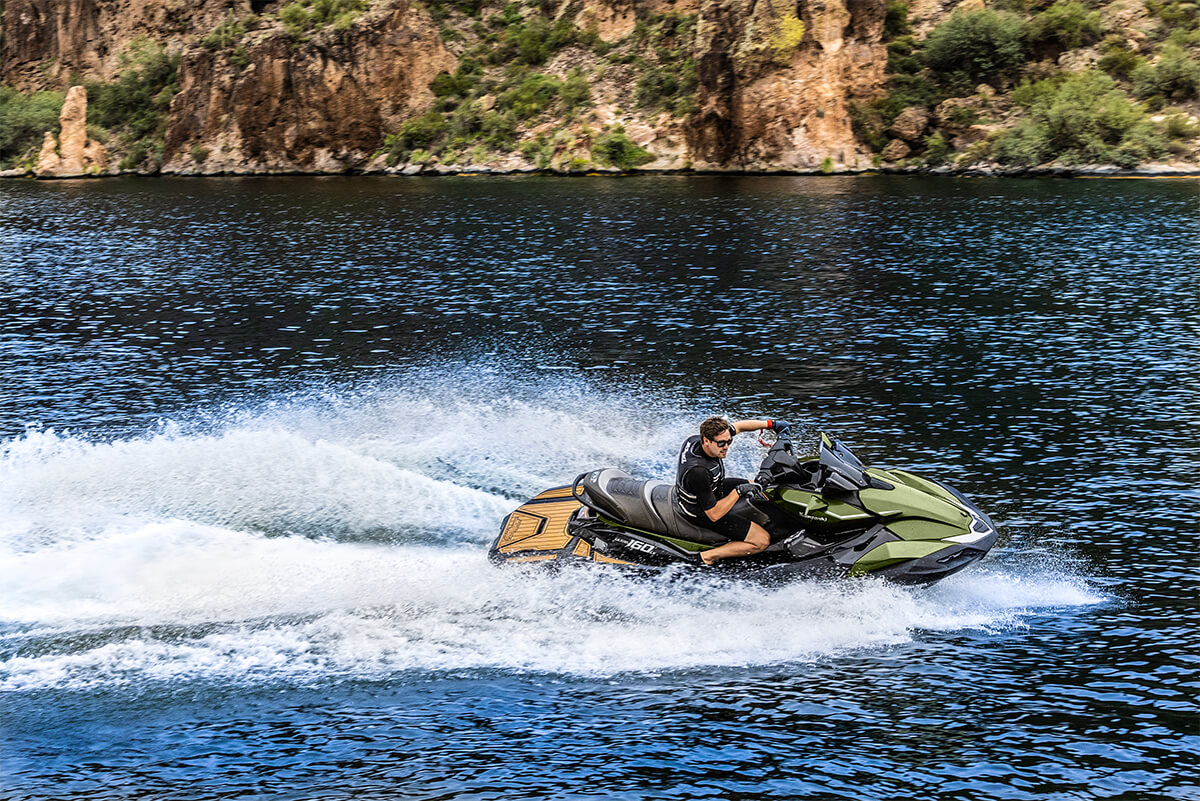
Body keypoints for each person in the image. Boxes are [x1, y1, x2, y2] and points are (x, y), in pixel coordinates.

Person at [674, 415, 789, 566]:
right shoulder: (698, 471)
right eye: (722, 443)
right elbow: (714, 514)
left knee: (760, 486)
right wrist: (738, 492)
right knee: (761, 540)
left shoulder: (699, 440)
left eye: (729, 441)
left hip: (713, 488)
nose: (726, 447)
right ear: (706, 441)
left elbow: (740, 426)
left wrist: (773, 424)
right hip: (699, 511)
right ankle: (707, 557)